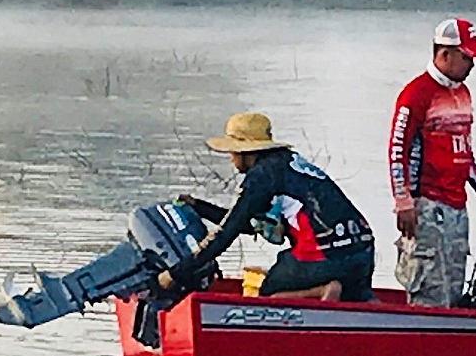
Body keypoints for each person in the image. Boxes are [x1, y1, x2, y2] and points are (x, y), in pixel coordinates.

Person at [156, 112, 375, 302]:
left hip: (324, 257)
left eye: (233, 152)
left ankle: (321, 291)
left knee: (268, 296)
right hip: (362, 251)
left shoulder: (261, 177)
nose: (231, 159)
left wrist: (175, 274)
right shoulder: (289, 162)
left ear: (245, 151)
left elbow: (226, 232)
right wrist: (199, 207)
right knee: (358, 298)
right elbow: (247, 223)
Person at [388, 18, 476, 307]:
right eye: (467, 57)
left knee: (453, 286)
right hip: (426, 205)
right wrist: (404, 202)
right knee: (428, 289)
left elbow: (464, 147)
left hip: (457, 206)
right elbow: (397, 150)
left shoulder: (462, 93)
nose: (472, 65)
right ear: (444, 54)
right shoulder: (416, 94)